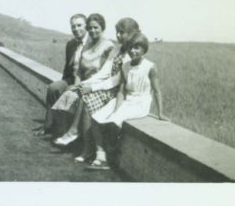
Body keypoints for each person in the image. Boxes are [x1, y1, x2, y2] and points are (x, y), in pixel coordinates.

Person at [52, 18, 142, 169]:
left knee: (87, 98)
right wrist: (83, 84)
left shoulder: (132, 52)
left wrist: (92, 88)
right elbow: (104, 72)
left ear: (133, 34)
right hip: (109, 87)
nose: (119, 36)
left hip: (120, 91)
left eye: (122, 33)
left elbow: (117, 79)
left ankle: (83, 143)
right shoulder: (117, 50)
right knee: (79, 93)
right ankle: (85, 145)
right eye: (117, 32)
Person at [33, 14, 87, 136]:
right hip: (71, 78)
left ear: (86, 26)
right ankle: (49, 126)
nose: (76, 29)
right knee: (53, 88)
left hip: (85, 82)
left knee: (69, 92)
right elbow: (67, 67)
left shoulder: (92, 43)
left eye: (79, 25)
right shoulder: (71, 44)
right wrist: (63, 82)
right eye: (73, 26)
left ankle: (64, 132)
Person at [104, 33, 168, 128]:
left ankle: (111, 141)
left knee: (115, 119)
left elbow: (156, 91)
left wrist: (160, 113)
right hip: (127, 101)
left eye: (136, 48)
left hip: (141, 103)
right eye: (130, 48)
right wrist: (116, 109)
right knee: (104, 113)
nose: (132, 51)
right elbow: (121, 91)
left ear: (144, 50)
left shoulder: (150, 67)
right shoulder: (125, 66)